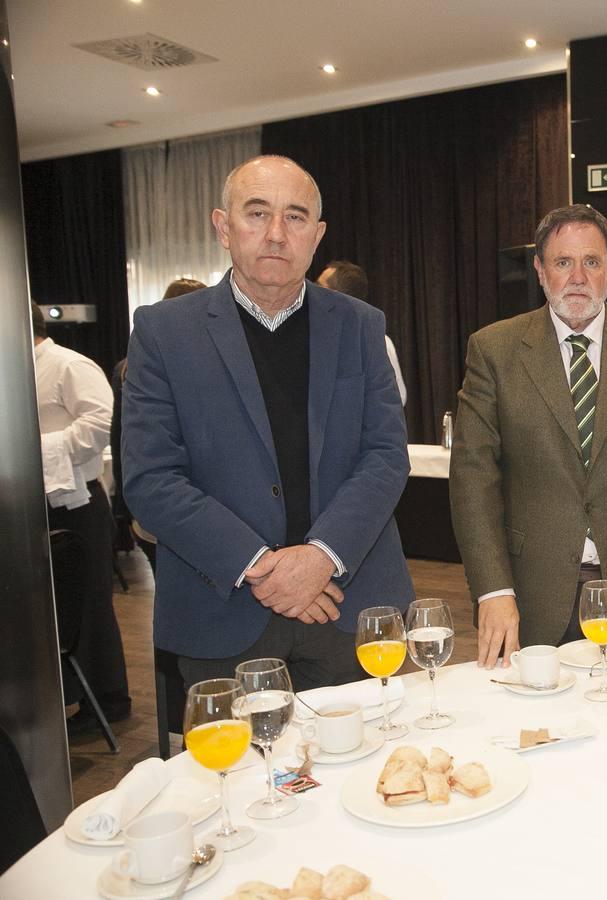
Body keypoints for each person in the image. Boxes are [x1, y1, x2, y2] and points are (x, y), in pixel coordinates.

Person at [121, 155, 413, 691]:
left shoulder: (362, 327)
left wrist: (321, 557)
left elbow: (386, 457)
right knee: (242, 773)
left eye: (295, 217)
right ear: (222, 227)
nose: (276, 234)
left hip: (350, 610)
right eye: (257, 214)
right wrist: (263, 566)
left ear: (317, 234)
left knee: (366, 771)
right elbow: (151, 478)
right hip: (225, 610)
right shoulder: (163, 332)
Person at [450, 204, 607, 666]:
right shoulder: (493, 350)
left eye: (591, 262)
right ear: (540, 270)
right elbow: (473, 480)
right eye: (562, 262)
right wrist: (493, 588)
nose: (577, 277)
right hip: (529, 597)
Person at [32, 303, 132, 733]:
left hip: (78, 501)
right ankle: (71, 696)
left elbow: (100, 421)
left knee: (88, 605)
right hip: (34, 503)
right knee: (52, 609)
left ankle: (108, 702)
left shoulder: (67, 365)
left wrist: (37, 449)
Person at [110, 277, 207, 572]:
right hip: (176, 512)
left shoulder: (129, 366)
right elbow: (126, 441)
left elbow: (120, 444)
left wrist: (125, 510)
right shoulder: (137, 367)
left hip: (162, 514)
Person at [316, 260, 408, 406]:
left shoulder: (377, 342)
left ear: (337, 296)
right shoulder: (314, 339)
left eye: (319, 287)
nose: (313, 293)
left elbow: (396, 397)